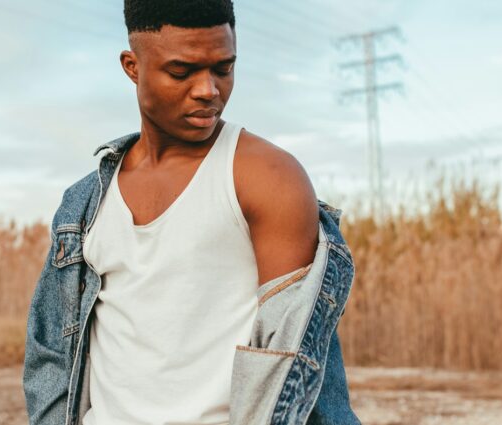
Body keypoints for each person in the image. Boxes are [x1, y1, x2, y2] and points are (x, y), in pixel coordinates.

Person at [23, 1, 360, 424]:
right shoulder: (85, 203)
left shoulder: (266, 177)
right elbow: (53, 358)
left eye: (223, 68)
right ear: (132, 66)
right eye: (181, 72)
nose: (208, 90)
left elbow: (299, 360)